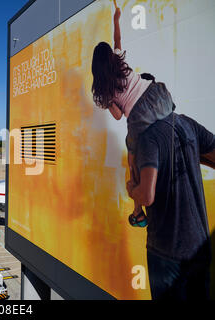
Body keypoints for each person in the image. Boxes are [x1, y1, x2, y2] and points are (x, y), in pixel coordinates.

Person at [91, 5, 175, 227]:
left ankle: (138, 212)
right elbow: (117, 38)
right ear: (109, 56)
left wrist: (112, 101)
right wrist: (116, 18)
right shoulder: (119, 61)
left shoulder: (102, 91)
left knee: (134, 163)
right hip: (159, 95)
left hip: (139, 116)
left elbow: (119, 116)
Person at [126, 112, 215, 299]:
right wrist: (192, 156)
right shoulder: (186, 124)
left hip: (165, 251)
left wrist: (134, 202)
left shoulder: (141, 136)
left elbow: (141, 197)